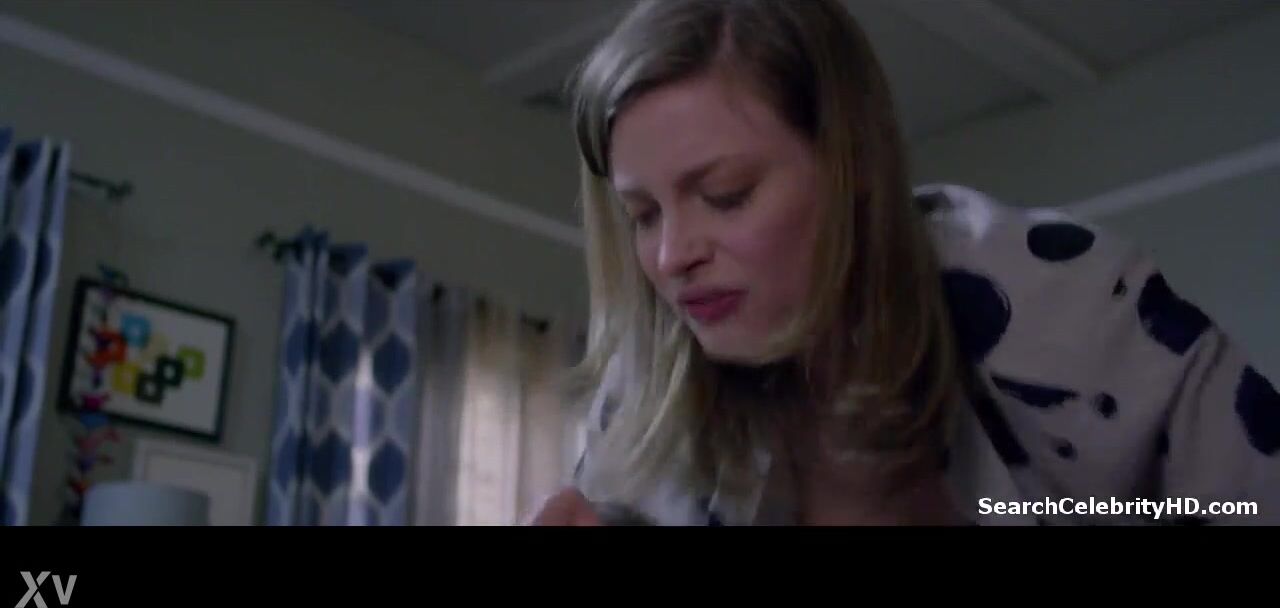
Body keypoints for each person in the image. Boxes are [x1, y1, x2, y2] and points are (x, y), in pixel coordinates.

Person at [529, 0, 1280, 526]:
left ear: (852, 162)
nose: (670, 257)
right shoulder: (646, 388)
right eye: (643, 215)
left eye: (726, 195)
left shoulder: (1061, 303)